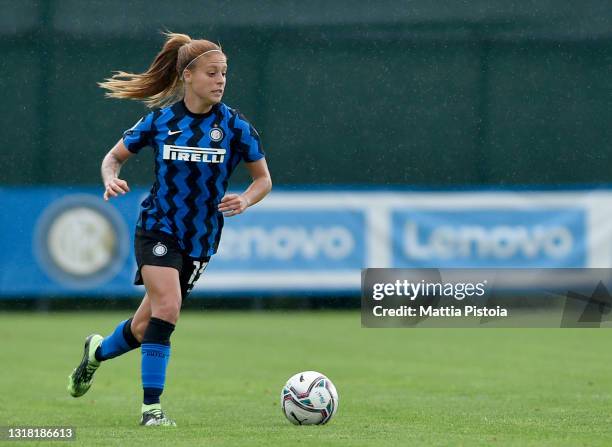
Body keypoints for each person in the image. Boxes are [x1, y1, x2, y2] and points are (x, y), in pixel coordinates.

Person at [66, 32, 272, 426]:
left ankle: (95, 354)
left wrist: (245, 198)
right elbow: (114, 157)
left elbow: (263, 179)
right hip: (158, 227)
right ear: (187, 76)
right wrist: (110, 177)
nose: (220, 80)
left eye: (224, 73)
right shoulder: (161, 120)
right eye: (212, 73)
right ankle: (151, 410)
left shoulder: (234, 126)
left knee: (145, 326)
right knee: (168, 308)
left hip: (201, 238)